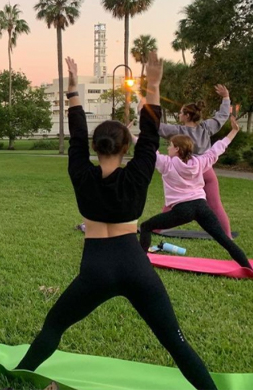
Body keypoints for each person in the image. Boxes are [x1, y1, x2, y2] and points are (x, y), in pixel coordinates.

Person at [15, 54, 217, 390]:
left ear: (95, 147)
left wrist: (74, 85)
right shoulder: (138, 173)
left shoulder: (80, 172)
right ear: (126, 148)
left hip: (95, 269)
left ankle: (18, 379)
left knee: (53, 328)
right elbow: (150, 134)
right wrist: (153, 84)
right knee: (176, 343)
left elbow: (76, 132)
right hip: (136, 267)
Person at [140, 116, 251, 269]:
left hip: (183, 210)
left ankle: (139, 263)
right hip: (202, 207)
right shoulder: (199, 162)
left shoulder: (166, 163)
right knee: (224, 240)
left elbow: (149, 149)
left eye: (170, 146)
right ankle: (248, 269)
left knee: (146, 227)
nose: (168, 148)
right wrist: (233, 131)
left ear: (177, 149)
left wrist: (132, 134)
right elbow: (218, 148)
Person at [158, 86, 233, 237]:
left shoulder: (178, 132)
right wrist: (226, 98)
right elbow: (222, 116)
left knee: (173, 202)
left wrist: (144, 110)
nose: (179, 114)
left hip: (185, 173)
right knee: (215, 205)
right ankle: (227, 235)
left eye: (180, 112)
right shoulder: (206, 128)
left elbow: (156, 127)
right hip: (206, 171)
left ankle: (155, 228)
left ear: (186, 116)